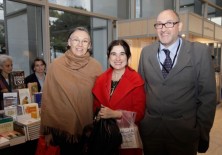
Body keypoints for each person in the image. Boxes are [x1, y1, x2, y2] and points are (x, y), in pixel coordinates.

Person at [138, 9, 217, 155]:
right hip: (151, 134)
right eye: (159, 24)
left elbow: (208, 98)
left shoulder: (199, 52)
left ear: (179, 26)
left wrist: (200, 132)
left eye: (169, 23)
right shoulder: (146, 53)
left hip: (184, 135)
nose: (163, 29)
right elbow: (141, 91)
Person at [40, 26, 103, 155]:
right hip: (62, 130)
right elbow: (48, 100)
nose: (80, 44)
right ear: (69, 42)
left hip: (89, 130)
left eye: (85, 41)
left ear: (89, 45)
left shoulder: (96, 66)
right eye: (76, 40)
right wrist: (47, 132)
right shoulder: (56, 66)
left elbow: (101, 97)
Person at [92, 39, 146, 155]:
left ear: (128, 57)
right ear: (108, 56)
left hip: (126, 137)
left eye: (122, 54)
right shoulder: (101, 79)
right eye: (113, 54)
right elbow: (95, 107)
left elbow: (140, 113)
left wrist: (115, 114)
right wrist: (97, 115)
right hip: (104, 136)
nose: (118, 58)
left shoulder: (136, 79)